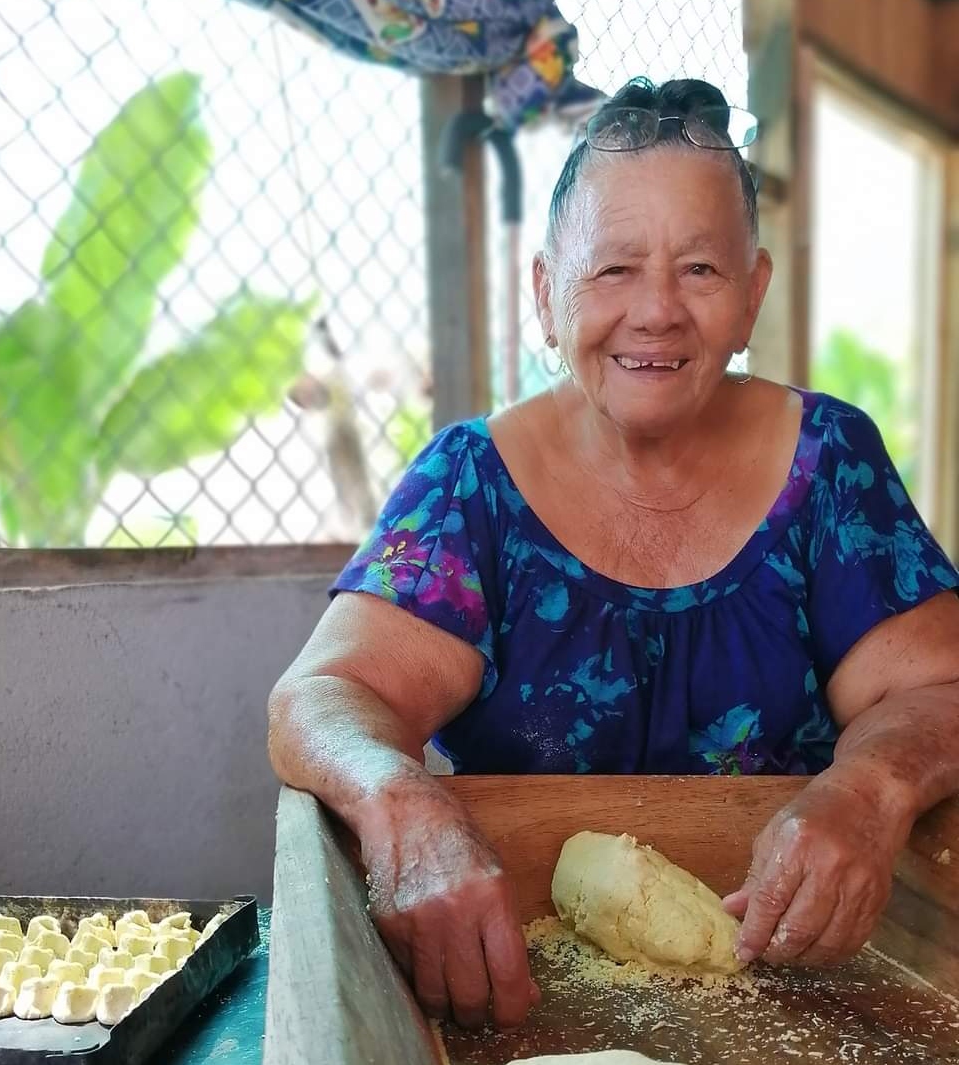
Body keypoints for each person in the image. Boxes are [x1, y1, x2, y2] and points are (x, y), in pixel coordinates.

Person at [267, 76, 959, 1032]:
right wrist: (402, 804)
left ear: (752, 294)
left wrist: (871, 788)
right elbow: (320, 698)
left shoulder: (830, 466)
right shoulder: (471, 484)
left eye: (701, 272)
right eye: (614, 269)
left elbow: (938, 690)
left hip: (796, 985)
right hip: (518, 1001)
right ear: (549, 295)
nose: (658, 312)